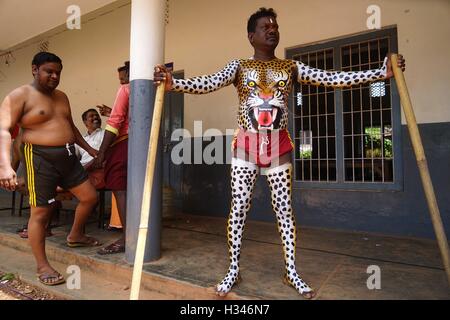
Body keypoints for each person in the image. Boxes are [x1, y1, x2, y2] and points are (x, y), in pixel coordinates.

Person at [154, 7, 406, 299]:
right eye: (265, 27)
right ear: (251, 36)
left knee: (284, 211)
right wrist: (175, 84)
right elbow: (207, 83)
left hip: (279, 146)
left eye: (275, 26)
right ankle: (233, 269)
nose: (272, 30)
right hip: (246, 146)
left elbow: (332, 79)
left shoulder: (291, 67)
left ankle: (291, 271)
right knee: (239, 209)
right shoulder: (238, 66)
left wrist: (381, 73)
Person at [0, 52, 101, 286]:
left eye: (58, 72)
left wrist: (89, 149)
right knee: (41, 213)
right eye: (49, 71)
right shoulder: (20, 96)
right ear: (35, 69)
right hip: (39, 158)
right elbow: (4, 130)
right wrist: (5, 166)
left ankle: (75, 235)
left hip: (67, 156)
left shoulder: (61, 96)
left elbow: (71, 126)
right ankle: (42, 265)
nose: (55, 76)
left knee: (89, 197)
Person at [93, 61, 130, 254]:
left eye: (124, 79)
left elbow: (115, 123)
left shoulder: (125, 90)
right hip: (141, 145)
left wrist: (101, 154)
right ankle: (135, 234)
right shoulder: (151, 90)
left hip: (122, 143)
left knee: (120, 190)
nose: (122, 83)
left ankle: (126, 239)